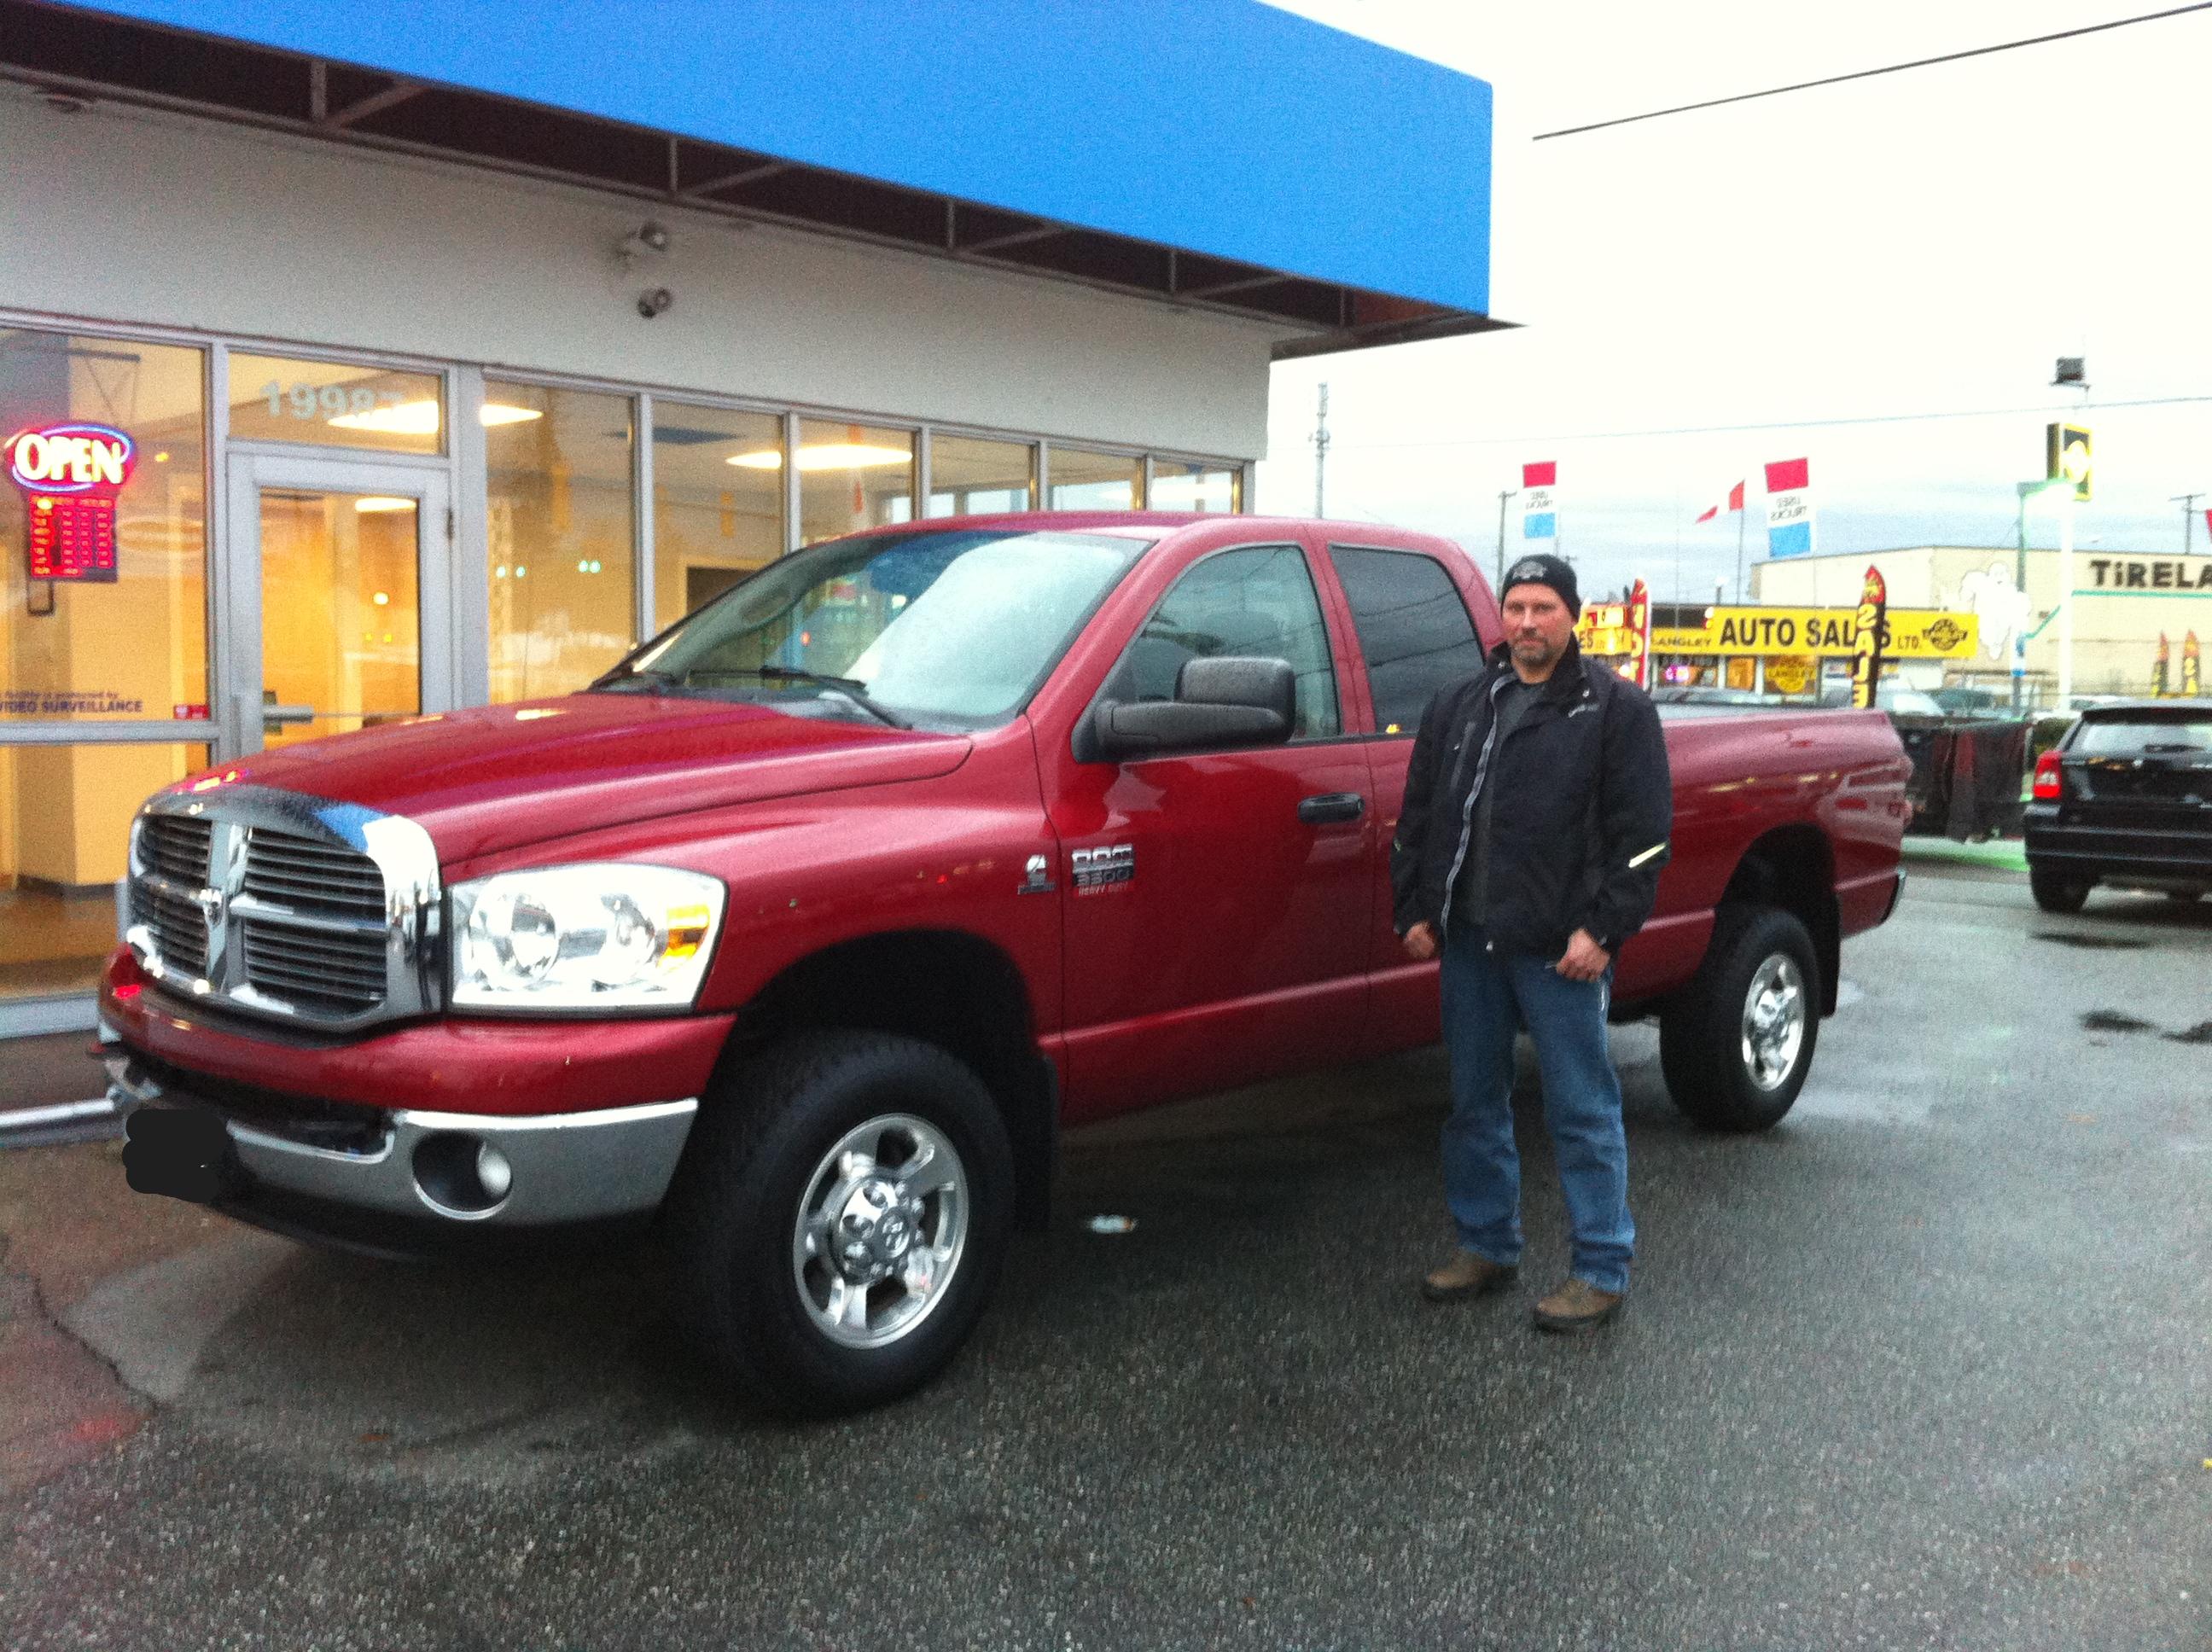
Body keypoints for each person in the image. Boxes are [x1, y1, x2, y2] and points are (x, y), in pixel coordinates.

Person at [1390, 554, 1671, 1332]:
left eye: (1543, 607)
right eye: (1515, 607)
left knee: (1581, 1110)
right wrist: (1415, 908)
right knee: (1474, 1104)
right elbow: (1419, 817)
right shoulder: (1460, 705)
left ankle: (1601, 1268)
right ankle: (1486, 1244)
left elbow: (1645, 839)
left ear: (1572, 616)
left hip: (1561, 951)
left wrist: (1603, 930)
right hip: (1471, 942)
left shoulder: (1614, 710)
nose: (1527, 622)